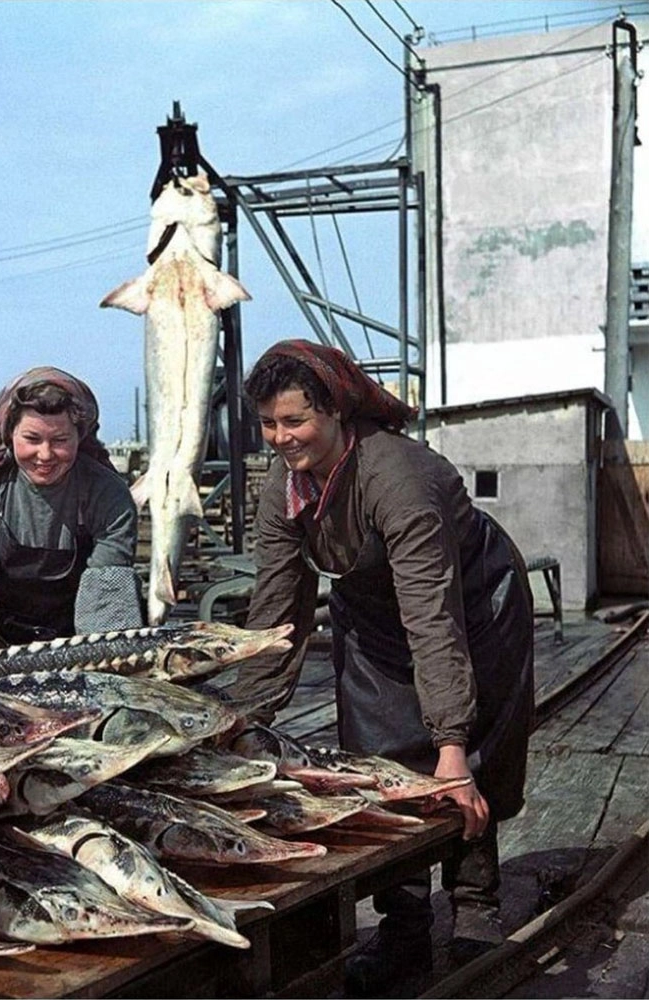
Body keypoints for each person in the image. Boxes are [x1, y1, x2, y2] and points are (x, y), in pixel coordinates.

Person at [236, 339, 534, 997]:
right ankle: (402, 924)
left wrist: (450, 746)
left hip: (472, 605)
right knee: (376, 759)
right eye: (269, 424)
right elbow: (275, 610)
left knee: (464, 763)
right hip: (370, 612)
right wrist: (244, 718)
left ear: (337, 412)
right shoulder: (283, 487)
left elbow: (434, 617)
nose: (282, 438)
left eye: (296, 421)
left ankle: (475, 905)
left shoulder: (398, 475)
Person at [0, 366, 143, 650]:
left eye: (60, 441)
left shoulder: (108, 495)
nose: (45, 455)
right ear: (9, 434)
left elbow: (107, 610)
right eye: (32, 439)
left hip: (76, 646)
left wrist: (102, 663)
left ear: (79, 436)